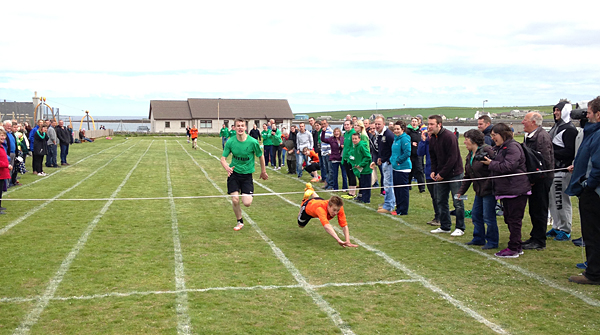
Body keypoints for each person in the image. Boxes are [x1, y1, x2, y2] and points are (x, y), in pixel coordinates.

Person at [482, 123, 531, 258]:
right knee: (509, 219)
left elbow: (508, 166)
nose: (493, 138)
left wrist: (491, 164)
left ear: (503, 134)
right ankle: (517, 246)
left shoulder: (513, 146)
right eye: (491, 136)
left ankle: (514, 248)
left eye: (494, 135)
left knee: (514, 220)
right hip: (507, 190)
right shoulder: (501, 147)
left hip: (516, 190)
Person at [566, 96, 600, 285]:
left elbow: (598, 165)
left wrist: (587, 184)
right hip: (592, 188)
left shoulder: (598, 134)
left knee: (593, 233)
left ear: (598, 114)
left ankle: (594, 273)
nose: (586, 116)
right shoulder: (593, 132)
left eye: (588, 113)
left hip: (594, 193)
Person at [220, 118, 268, 231]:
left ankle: (244, 191)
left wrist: (263, 171)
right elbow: (223, 159)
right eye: (238, 126)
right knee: (235, 199)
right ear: (235, 128)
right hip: (234, 174)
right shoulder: (231, 142)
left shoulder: (253, 142)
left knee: (247, 203)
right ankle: (239, 221)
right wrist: (227, 167)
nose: (240, 128)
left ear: (245, 127)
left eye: (242, 125)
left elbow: (260, 156)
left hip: (247, 175)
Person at [456, 129, 498, 249]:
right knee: (475, 214)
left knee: (488, 216)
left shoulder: (487, 150)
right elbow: (468, 176)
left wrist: (486, 185)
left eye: (466, 139)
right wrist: (460, 192)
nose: (464, 142)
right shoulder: (470, 155)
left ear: (474, 141)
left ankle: (492, 241)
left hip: (489, 190)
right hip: (479, 191)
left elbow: (495, 169)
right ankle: (479, 238)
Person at [521, 112, 554, 251]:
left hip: (541, 179)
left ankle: (539, 240)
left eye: (525, 120)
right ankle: (534, 236)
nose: (522, 122)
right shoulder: (530, 136)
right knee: (534, 209)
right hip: (534, 179)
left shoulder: (541, 137)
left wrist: (536, 178)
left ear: (534, 122)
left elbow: (544, 161)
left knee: (540, 209)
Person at [428, 115, 465, 236]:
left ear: (439, 124)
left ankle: (460, 227)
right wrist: (434, 171)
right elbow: (433, 157)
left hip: (455, 174)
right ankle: (445, 226)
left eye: (431, 124)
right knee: (440, 200)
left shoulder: (449, 137)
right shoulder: (432, 138)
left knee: (458, 201)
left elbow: (452, 158)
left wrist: (442, 174)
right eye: (428, 124)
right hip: (441, 174)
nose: (429, 126)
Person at [546, 101, 578, 241]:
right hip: (553, 170)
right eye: (554, 110)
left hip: (562, 171)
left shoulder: (569, 129)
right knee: (553, 201)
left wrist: (550, 151)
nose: (555, 113)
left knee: (561, 201)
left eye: (558, 110)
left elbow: (570, 152)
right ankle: (557, 226)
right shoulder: (556, 127)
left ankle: (565, 229)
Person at [373, 116, 396, 214]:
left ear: (384, 124)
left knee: (388, 184)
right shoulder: (379, 134)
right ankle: (390, 203)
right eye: (376, 124)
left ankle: (389, 205)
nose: (377, 126)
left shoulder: (389, 135)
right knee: (387, 183)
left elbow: (392, 150)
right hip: (384, 161)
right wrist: (379, 158)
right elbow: (381, 149)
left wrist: (386, 160)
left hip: (388, 163)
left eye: (379, 124)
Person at [418, 130, 440, 226]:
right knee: (433, 197)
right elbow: (420, 153)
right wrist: (423, 141)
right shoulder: (427, 142)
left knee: (438, 196)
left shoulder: (439, 141)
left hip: (438, 172)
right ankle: (437, 216)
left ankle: (441, 217)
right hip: (428, 172)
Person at [391, 121, 411, 215]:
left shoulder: (404, 139)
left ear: (403, 129)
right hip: (395, 168)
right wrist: (392, 160)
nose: (396, 131)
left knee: (402, 190)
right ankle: (398, 208)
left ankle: (403, 210)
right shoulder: (396, 139)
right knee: (397, 189)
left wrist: (399, 161)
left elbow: (407, 153)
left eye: (398, 129)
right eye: (395, 129)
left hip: (403, 168)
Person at [349, 132, 373, 203]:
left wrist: (361, 164)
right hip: (361, 170)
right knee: (362, 184)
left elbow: (368, 156)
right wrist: (356, 164)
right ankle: (363, 198)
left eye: (356, 139)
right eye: (353, 139)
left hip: (366, 169)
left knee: (366, 185)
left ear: (359, 139)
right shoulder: (355, 147)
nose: (354, 140)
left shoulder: (361, 146)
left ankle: (366, 200)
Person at [406, 117, 426, 193]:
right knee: (410, 170)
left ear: (418, 123)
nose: (414, 123)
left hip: (418, 154)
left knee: (420, 170)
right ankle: (408, 185)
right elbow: (405, 140)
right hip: (410, 154)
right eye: (413, 121)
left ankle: (422, 188)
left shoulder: (420, 131)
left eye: (415, 121)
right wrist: (411, 143)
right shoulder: (408, 131)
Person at [341, 120, 357, 198]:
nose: (346, 126)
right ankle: (350, 191)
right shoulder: (346, 134)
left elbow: (353, 147)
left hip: (351, 158)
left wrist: (350, 156)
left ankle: (353, 192)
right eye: (345, 125)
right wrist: (343, 158)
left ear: (351, 125)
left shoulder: (353, 133)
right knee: (348, 175)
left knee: (352, 175)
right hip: (346, 158)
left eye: (348, 124)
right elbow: (345, 147)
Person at [0, 128, 12, 214]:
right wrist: (6, 165)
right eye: (1, 135)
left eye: (4, 135)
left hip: (2, 173)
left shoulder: (2, 146)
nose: (3, 137)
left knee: (0, 191)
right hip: (1, 172)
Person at [320, 120, 333, 189]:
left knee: (330, 169)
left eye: (324, 124)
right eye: (322, 124)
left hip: (328, 152)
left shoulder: (330, 131)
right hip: (323, 152)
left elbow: (332, 142)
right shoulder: (322, 131)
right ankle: (327, 183)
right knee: (326, 169)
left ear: (327, 124)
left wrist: (330, 151)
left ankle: (331, 184)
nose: (323, 125)